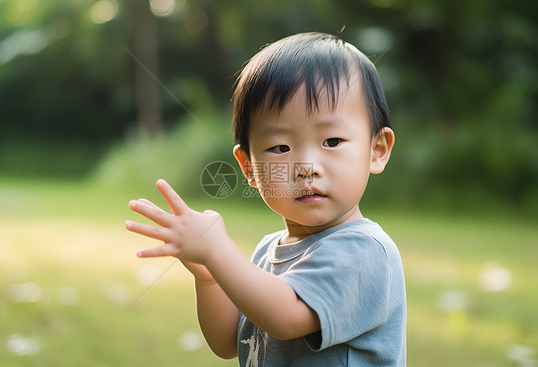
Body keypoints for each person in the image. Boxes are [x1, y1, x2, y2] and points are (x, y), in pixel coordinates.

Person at [125, 32, 406, 366]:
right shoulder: (267, 251)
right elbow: (228, 342)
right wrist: (209, 275)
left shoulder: (364, 250)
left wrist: (218, 250)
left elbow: (285, 317)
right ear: (249, 167)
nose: (306, 168)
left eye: (332, 141)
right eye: (280, 148)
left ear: (376, 150)